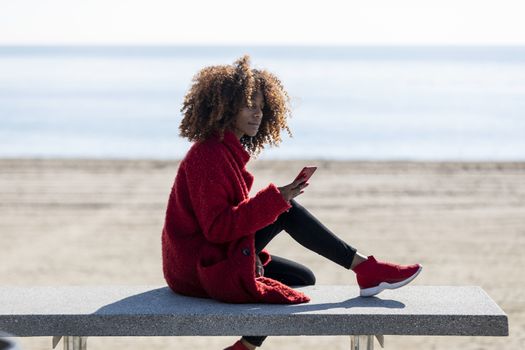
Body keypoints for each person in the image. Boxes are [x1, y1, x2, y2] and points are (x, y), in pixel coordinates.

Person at [161, 55, 422, 350]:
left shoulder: (225, 151)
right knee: (285, 210)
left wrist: (253, 245)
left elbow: (227, 226)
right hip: (196, 267)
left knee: (302, 277)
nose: (257, 114)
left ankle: (245, 344)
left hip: (207, 256)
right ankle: (366, 268)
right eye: (249, 106)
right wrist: (277, 200)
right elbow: (218, 228)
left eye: (261, 107)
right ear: (225, 107)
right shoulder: (208, 156)